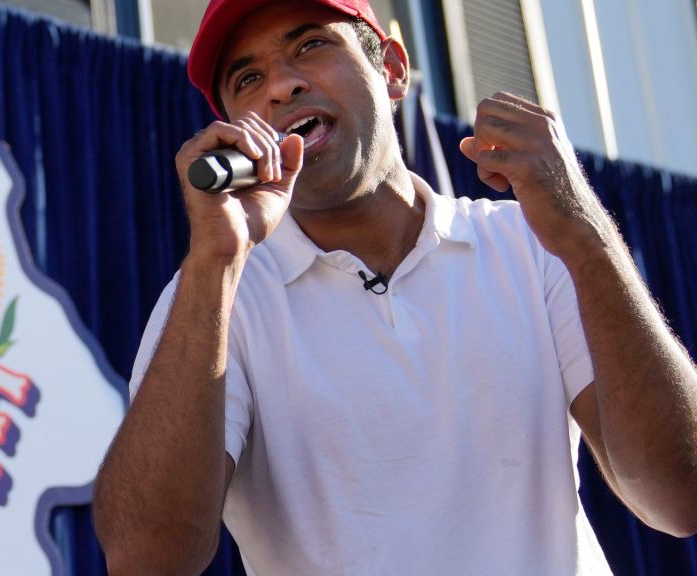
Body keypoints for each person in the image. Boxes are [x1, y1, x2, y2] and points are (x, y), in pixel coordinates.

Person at [92, 0, 697, 574]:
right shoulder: (215, 297)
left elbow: (680, 496)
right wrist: (216, 264)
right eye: (248, 81)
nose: (281, 86)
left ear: (393, 69)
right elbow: (145, 561)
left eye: (309, 45)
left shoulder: (531, 243)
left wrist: (585, 230)